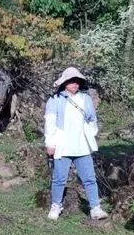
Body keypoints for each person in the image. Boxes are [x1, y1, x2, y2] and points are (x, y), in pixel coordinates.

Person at [44, 67, 108, 221]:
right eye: (72, 81)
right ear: (64, 82)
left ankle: (95, 207)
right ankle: (56, 205)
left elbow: (92, 119)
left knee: (89, 178)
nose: (75, 84)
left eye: (77, 81)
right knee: (59, 178)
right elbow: (50, 122)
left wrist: (90, 134)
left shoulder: (85, 99)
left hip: (82, 145)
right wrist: (50, 143)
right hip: (62, 145)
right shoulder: (55, 99)